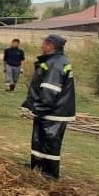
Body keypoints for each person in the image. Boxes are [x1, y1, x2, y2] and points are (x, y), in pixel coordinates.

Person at [21, 34, 76, 179]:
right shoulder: (53, 61)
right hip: (48, 110)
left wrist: (39, 108)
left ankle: (50, 173)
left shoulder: (56, 64)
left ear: (51, 46)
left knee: (50, 142)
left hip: (54, 111)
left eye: (44, 44)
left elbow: (50, 90)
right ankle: (37, 166)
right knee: (39, 139)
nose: (42, 46)